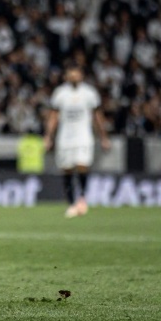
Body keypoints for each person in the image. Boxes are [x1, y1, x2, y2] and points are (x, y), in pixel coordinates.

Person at [43, 65, 110, 218]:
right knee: (67, 168)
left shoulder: (89, 93)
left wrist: (104, 137)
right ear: (66, 76)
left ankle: (82, 199)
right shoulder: (60, 93)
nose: (74, 76)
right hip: (65, 137)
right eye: (71, 74)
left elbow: (97, 116)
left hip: (83, 136)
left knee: (82, 165)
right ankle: (72, 202)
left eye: (76, 74)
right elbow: (53, 116)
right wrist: (48, 136)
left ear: (81, 75)